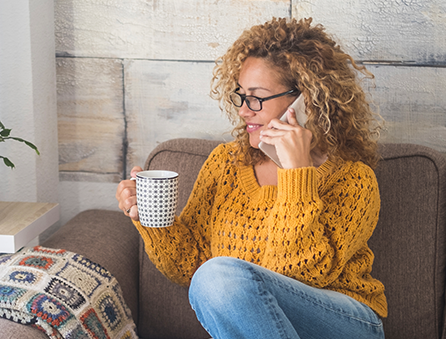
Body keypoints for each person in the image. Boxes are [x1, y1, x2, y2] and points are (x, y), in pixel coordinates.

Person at [115, 17, 386, 339]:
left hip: (345, 321)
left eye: (256, 97)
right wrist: (149, 216)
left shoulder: (353, 179)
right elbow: (190, 267)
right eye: (241, 95)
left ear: (307, 100)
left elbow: (303, 272)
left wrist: (297, 174)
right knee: (213, 278)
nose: (244, 110)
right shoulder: (225, 163)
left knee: (218, 276)